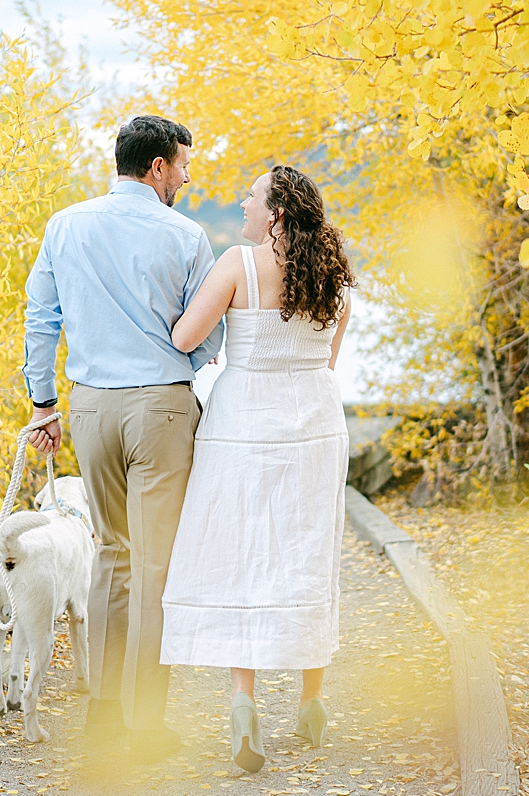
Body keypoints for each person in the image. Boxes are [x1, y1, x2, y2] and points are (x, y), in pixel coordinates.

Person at [22, 115, 224, 764]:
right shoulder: (188, 236)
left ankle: (103, 715)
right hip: (161, 409)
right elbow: (206, 335)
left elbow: (41, 317)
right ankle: (144, 726)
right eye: (184, 167)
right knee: (155, 568)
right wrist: (178, 374)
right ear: (158, 167)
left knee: (111, 554)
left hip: (91, 410)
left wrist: (44, 403)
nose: (187, 179)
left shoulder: (64, 225)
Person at [160, 165, 355, 773]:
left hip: (245, 422)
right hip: (316, 424)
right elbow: (329, 360)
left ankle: (244, 704)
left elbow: (186, 335)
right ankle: (312, 701)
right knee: (307, 551)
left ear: (274, 213)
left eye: (251, 197)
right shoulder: (336, 278)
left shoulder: (238, 265)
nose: (243, 204)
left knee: (245, 554)